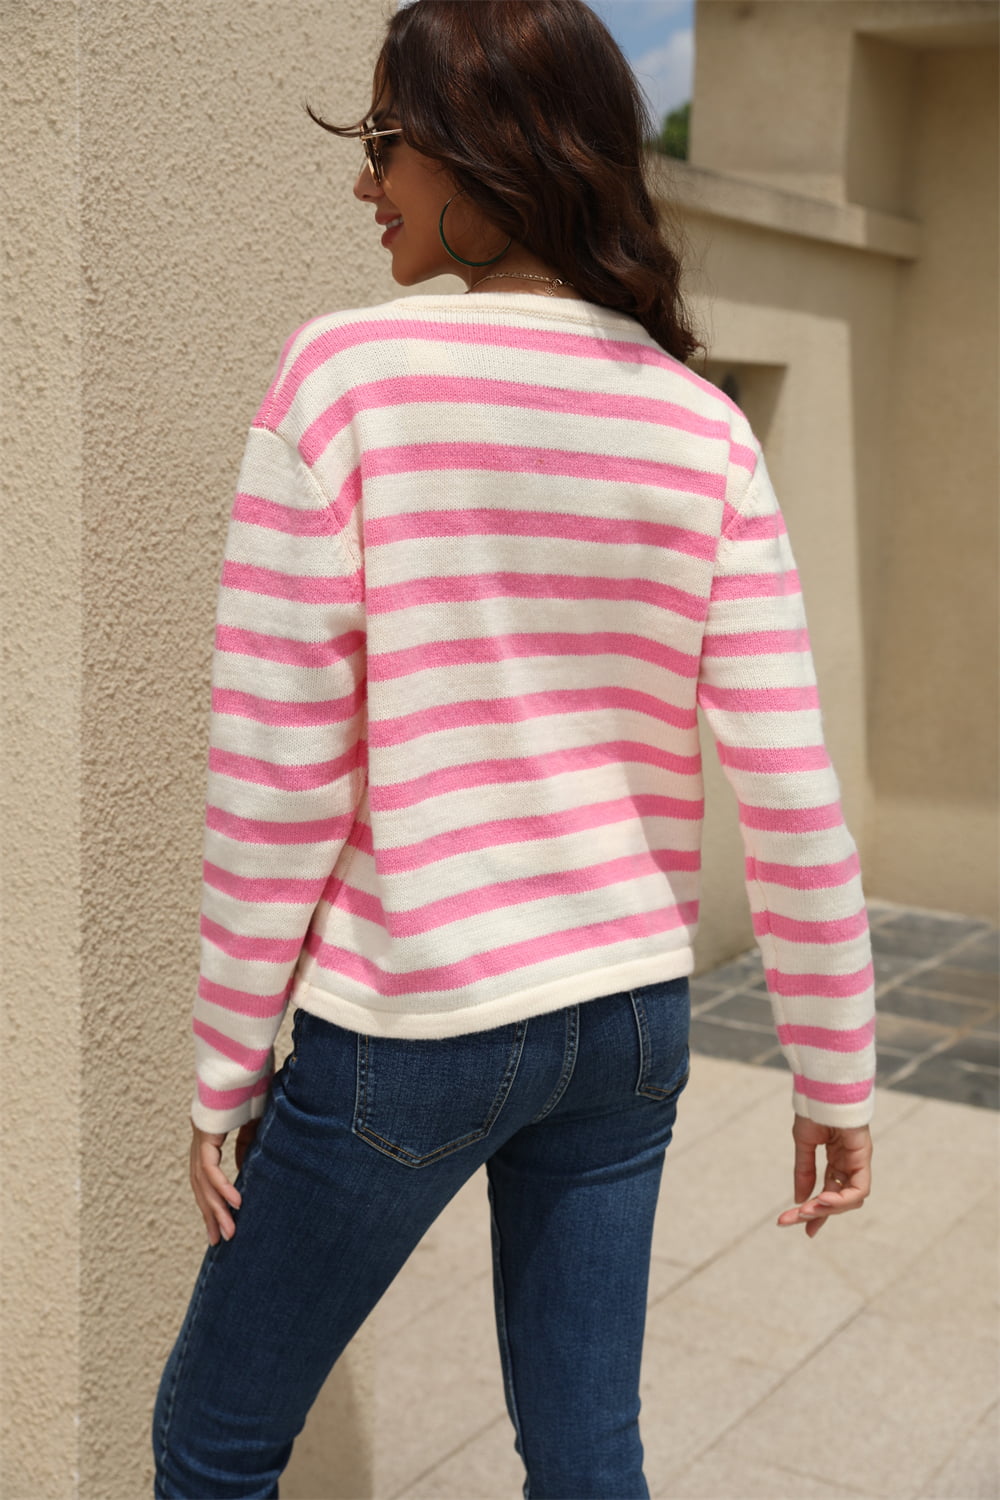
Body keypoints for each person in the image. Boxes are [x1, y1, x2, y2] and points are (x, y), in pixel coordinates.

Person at [152, 2, 875, 1495]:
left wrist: (225, 1064)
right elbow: (791, 788)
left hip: (411, 1022)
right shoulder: (702, 428)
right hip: (626, 1024)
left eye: (385, 142)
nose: (365, 181)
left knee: (213, 1445)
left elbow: (279, 771)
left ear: (489, 151)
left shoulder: (345, 382)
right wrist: (834, 1067)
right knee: (587, 1451)